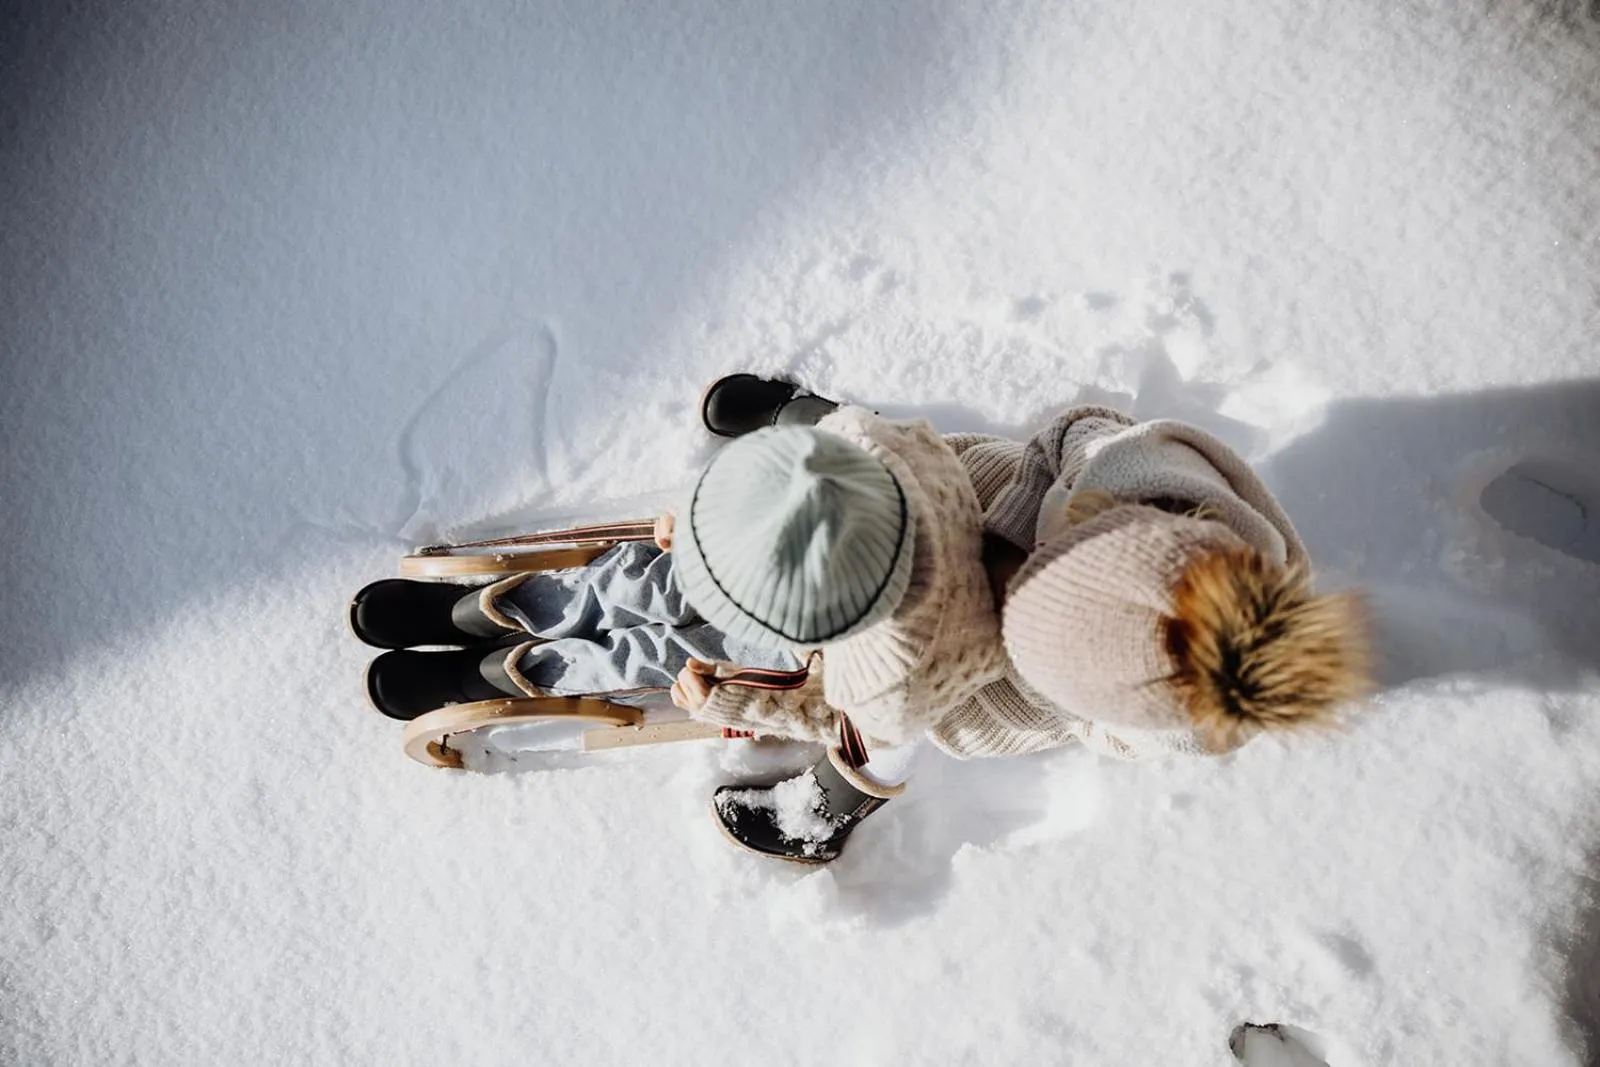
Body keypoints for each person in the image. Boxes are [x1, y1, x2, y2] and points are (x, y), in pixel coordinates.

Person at [671, 375, 1371, 862]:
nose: (998, 587)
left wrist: (736, 697)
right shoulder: (1139, 471)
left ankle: (833, 806)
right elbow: (1075, 428)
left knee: (892, 730)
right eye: (1024, 579)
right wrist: (1009, 525)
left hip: (978, 694)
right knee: (868, 463)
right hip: (961, 491)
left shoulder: (1150, 715)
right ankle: (805, 428)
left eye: (1011, 614)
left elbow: (851, 704)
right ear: (1094, 516)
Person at [351, 525, 805, 721]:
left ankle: (521, 669)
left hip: (833, 656)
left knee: (671, 659)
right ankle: (512, 606)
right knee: (656, 586)